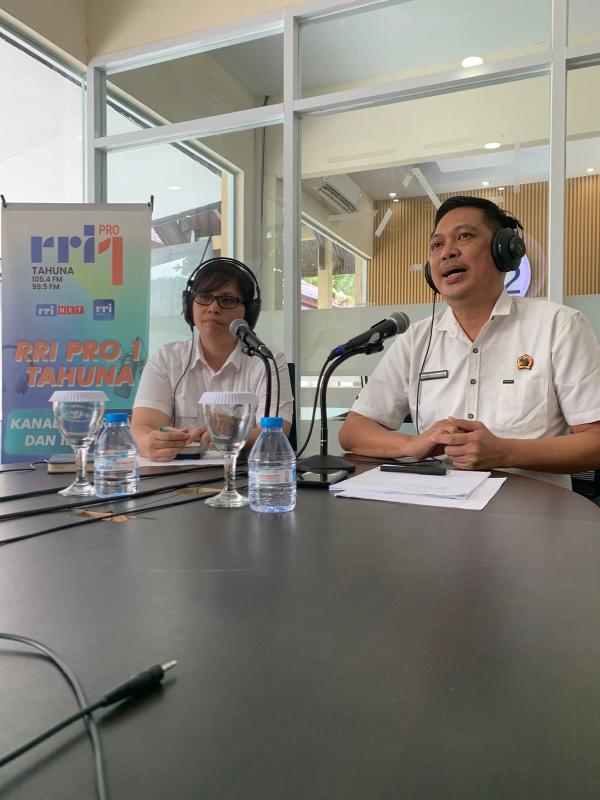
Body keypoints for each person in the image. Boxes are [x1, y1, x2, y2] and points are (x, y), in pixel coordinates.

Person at [339, 195, 600, 487]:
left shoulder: (559, 325)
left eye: (464, 236)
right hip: (435, 504)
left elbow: (595, 441)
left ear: (504, 250)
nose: (447, 252)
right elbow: (354, 431)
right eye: (436, 245)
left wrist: (505, 452)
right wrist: (413, 445)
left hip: (529, 510)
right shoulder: (417, 339)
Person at [132, 257, 293, 461]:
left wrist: (233, 431)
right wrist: (149, 442)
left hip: (243, 475)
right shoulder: (166, 359)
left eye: (227, 300)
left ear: (249, 313)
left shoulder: (267, 361)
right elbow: (142, 426)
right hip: (177, 476)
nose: (213, 308)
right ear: (189, 305)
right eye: (204, 297)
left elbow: (275, 434)